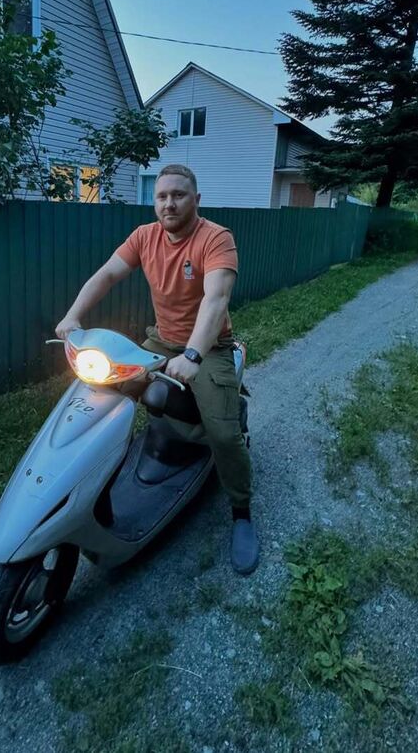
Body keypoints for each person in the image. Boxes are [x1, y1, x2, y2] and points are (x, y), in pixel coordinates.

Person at [55, 163, 260, 574]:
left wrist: (194, 355)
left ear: (196, 200)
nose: (169, 203)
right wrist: (73, 316)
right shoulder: (144, 236)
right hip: (160, 341)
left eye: (178, 195)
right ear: (154, 200)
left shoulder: (216, 238)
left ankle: (241, 512)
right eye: (162, 195)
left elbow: (215, 300)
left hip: (209, 348)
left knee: (223, 433)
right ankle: (83, 486)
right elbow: (107, 275)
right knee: (99, 396)